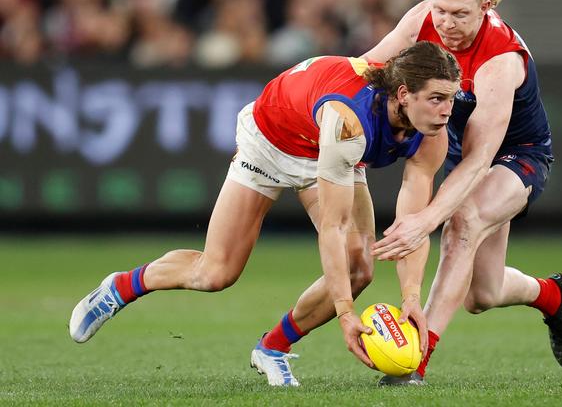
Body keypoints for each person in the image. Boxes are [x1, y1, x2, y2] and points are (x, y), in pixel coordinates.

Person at [68, 41, 462, 386]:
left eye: (451, 98)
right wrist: (344, 313)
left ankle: (272, 348)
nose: (446, 111)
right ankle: (121, 287)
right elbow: (333, 226)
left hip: (326, 149)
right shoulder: (348, 123)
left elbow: (413, 226)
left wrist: (412, 296)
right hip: (271, 141)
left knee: (359, 266)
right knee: (215, 273)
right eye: (437, 98)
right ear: (404, 93)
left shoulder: (433, 135)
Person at [362, 0, 562, 385]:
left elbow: (483, 158)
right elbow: (367, 69)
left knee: (462, 220)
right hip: (465, 152)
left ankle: (416, 361)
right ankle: (552, 295)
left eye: (460, 14)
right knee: (483, 294)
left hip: (518, 155)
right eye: (441, 9)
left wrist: (424, 221)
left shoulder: (500, 59)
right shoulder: (423, 17)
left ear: (487, 5)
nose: (446, 24)